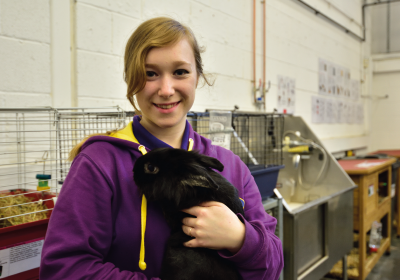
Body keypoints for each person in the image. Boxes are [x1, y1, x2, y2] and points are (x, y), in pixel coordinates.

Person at [40, 17, 284, 279]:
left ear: (197, 77)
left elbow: (272, 266)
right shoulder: (99, 163)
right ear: (131, 78)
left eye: (180, 72)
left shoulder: (230, 165)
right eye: (150, 74)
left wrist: (239, 238)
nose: (166, 90)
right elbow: (63, 269)